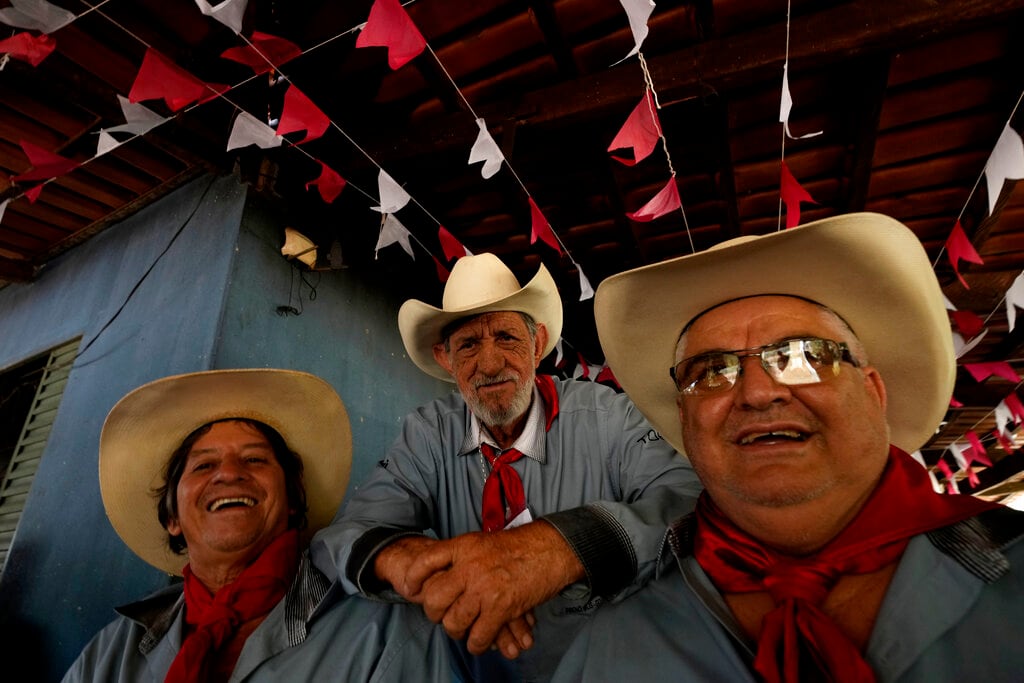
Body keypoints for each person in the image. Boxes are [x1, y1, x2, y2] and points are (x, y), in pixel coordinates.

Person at [550, 212, 1024, 682]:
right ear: (685, 420)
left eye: (803, 356)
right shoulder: (611, 651)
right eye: (712, 371)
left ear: (874, 391)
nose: (758, 392)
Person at [310, 252, 703, 682]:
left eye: (506, 337)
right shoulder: (429, 433)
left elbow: (684, 499)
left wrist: (556, 549)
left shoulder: (608, 416)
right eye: (469, 345)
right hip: (468, 667)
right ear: (446, 359)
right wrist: (420, 564)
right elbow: (350, 532)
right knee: (360, 620)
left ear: (537, 343)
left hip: (603, 666)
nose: (491, 364)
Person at [63, 368, 456, 682]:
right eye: (203, 465)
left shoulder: (386, 634)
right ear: (172, 519)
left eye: (255, 460)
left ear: (292, 502)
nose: (229, 474)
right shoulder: (108, 659)